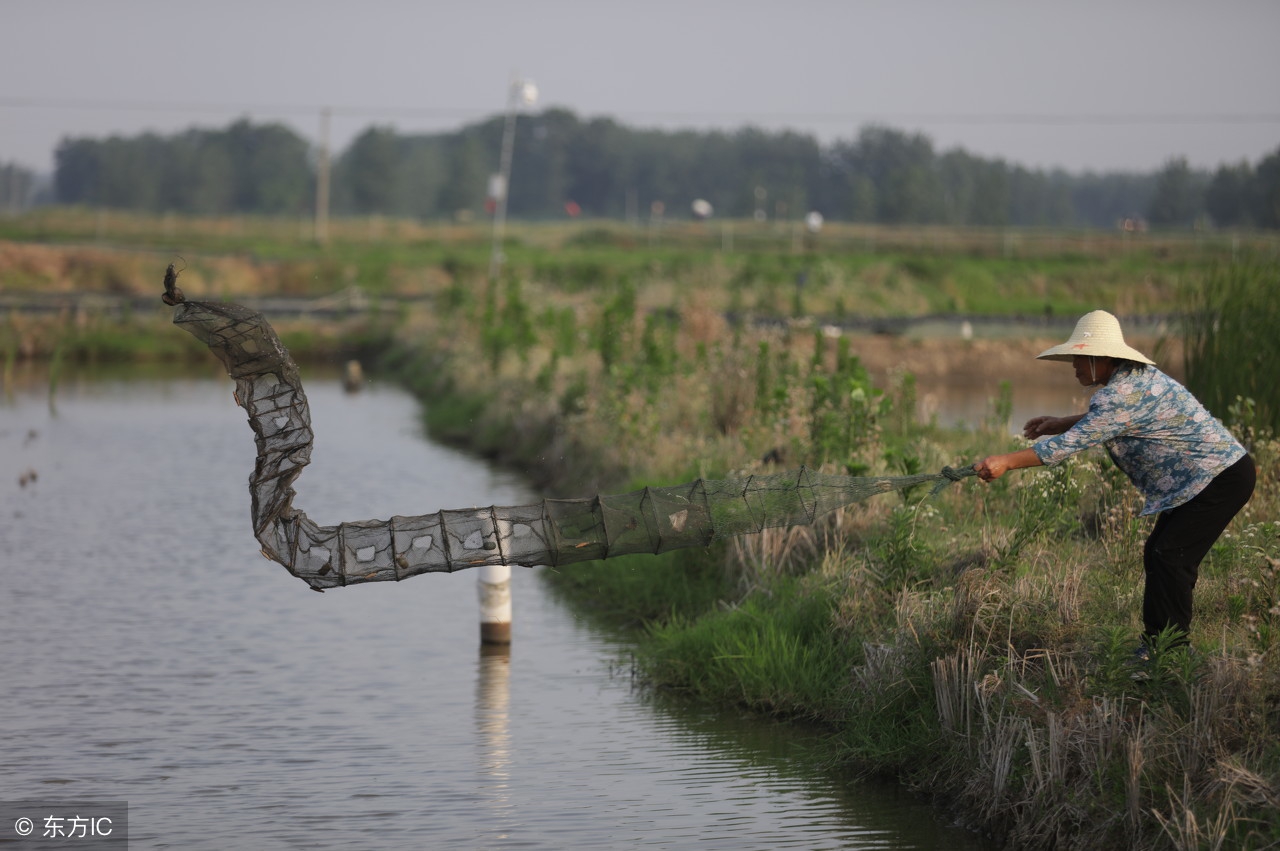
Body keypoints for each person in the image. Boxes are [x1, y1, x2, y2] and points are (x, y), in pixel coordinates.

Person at [974, 310, 1255, 651]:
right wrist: (1062, 421)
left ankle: (1169, 653)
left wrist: (1006, 461)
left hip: (1218, 478)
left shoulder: (1118, 395)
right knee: (1159, 553)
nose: (1075, 366)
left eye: (1080, 359)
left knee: (1171, 556)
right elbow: (1113, 419)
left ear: (1101, 358)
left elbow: (1069, 446)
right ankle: (1158, 644)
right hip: (1206, 477)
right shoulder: (1135, 379)